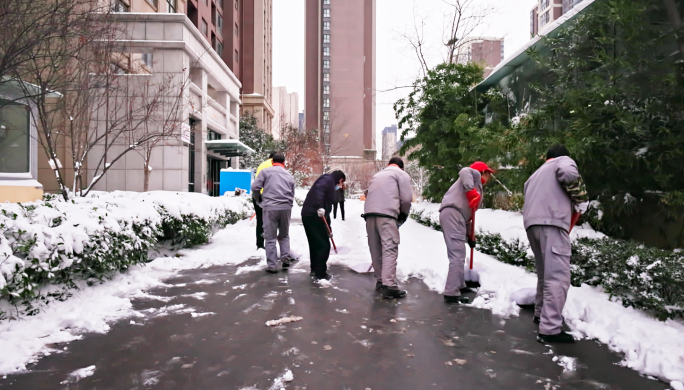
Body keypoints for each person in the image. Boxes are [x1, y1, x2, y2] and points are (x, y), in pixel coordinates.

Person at [523, 144, 588, 343]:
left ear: (546, 158)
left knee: (545, 274)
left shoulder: (534, 175)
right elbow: (568, 172)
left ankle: (541, 314)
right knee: (558, 277)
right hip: (551, 223)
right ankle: (550, 328)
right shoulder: (562, 161)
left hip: (532, 225)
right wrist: (581, 198)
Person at [439, 162, 494, 304]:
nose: (489, 177)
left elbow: (469, 215)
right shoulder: (473, 176)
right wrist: (471, 191)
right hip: (453, 213)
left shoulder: (477, 187)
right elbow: (464, 170)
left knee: (460, 253)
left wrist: (470, 234)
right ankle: (451, 292)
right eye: (488, 174)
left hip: (458, 216)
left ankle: (459, 284)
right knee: (457, 254)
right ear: (483, 172)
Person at [362, 157, 413, 299]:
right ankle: (389, 285)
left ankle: (380, 281)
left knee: (376, 248)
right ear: (401, 167)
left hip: (369, 215)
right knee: (389, 248)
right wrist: (403, 214)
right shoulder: (401, 174)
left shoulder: (377, 175)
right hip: (387, 215)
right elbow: (407, 199)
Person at [251, 153, 296, 273]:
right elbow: (292, 192)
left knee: (270, 238)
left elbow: (255, 187)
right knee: (284, 235)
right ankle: (285, 258)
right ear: (284, 163)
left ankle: (272, 266)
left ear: (272, 162)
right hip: (285, 208)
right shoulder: (289, 175)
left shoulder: (266, 172)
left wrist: (259, 199)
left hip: (270, 208)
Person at [301, 170, 346, 281]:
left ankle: (315, 269)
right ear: (340, 179)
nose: (340, 186)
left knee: (315, 244)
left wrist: (328, 228)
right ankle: (320, 273)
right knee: (323, 245)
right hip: (314, 214)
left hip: (310, 214)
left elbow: (326, 210)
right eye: (341, 183)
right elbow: (319, 190)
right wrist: (320, 206)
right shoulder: (327, 179)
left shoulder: (329, 182)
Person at [253, 152, 276, 249]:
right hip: (266, 196)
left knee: (260, 221)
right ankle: (269, 243)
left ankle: (260, 244)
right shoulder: (273, 165)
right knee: (270, 221)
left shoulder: (262, 164)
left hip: (257, 195)